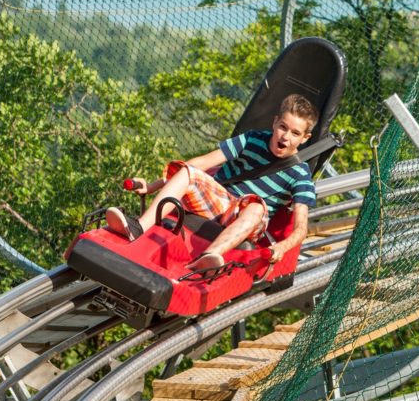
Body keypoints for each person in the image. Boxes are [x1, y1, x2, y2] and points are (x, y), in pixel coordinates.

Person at [106, 94, 319, 270]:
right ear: (275, 122)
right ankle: (138, 228)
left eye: (295, 133)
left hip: (250, 216)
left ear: (305, 138)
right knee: (188, 171)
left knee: (255, 206)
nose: (285, 137)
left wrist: (281, 247)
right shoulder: (253, 139)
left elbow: (301, 228)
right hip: (220, 201)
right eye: (283, 127)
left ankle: (208, 257)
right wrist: (151, 186)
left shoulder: (299, 174)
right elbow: (203, 162)